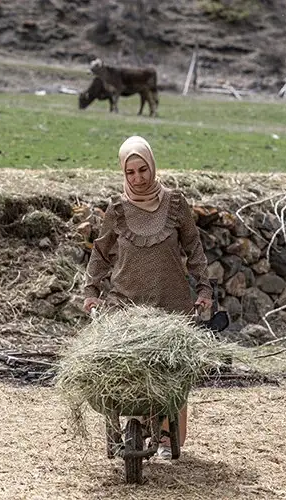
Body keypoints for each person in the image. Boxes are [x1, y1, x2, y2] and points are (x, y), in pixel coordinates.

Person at [83, 135, 213, 459]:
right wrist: (91, 290)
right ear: (123, 173)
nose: (138, 178)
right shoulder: (117, 210)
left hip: (171, 303)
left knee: (170, 373)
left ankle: (169, 436)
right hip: (127, 304)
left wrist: (205, 289)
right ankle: (134, 429)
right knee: (130, 373)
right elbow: (100, 253)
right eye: (131, 172)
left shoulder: (176, 204)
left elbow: (194, 248)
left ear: (152, 167)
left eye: (143, 170)